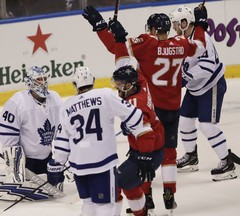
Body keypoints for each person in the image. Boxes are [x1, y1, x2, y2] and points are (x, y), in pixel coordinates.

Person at [82, 6, 206, 214]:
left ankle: (146, 196)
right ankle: (169, 192)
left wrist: (103, 28)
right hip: (173, 105)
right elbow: (200, 46)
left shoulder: (147, 43)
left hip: (150, 107)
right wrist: (201, 24)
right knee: (169, 151)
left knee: (141, 151)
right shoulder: (181, 43)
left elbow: (117, 51)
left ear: (154, 29)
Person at [53, 66, 156, 216]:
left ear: (75, 85)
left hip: (79, 166)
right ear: (93, 81)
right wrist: (129, 127)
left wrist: (58, 164)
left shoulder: (66, 106)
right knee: (104, 206)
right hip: (102, 163)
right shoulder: (105, 95)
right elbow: (135, 116)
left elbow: (62, 143)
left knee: (88, 205)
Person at [170, 5, 237, 181]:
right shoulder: (180, 39)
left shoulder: (203, 39)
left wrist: (185, 77)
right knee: (184, 122)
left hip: (211, 86)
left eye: (177, 23)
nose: (174, 27)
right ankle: (191, 157)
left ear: (185, 22)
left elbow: (207, 67)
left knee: (208, 126)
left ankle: (227, 164)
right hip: (195, 88)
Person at [0, 66, 65, 191]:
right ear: (30, 82)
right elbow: (7, 136)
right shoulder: (18, 103)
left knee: (55, 188)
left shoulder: (55, 99)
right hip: (26, 161)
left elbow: (62, 133)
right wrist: (16, 165)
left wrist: (63, 158)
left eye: (44, 78)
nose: (43, 82)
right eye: (39, 79)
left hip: (47, 158)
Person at [111, 65, 165, 216]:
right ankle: (142, 213)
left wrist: (145, 158)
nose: (117, 88)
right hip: (152, 149)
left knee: (114, 184)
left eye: (119, 84)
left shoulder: (134, 105)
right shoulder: (142, 83)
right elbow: (139, 72)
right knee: (129, 184)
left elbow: (146, 134)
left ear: (129, 85)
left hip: (147, 153)